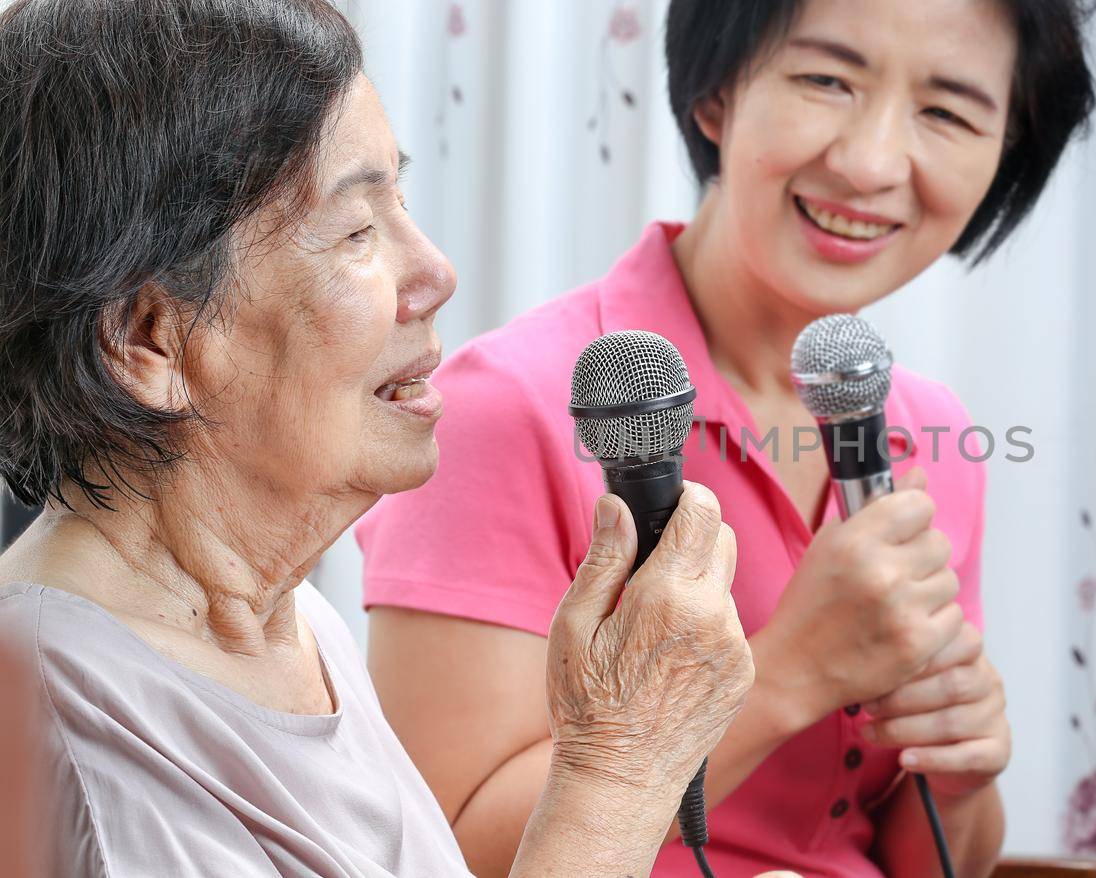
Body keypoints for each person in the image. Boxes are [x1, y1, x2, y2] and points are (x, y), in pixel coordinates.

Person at [0, 1, 766, 875]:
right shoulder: (52, 717)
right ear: (149, 340)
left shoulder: (298, 626)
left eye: (400, 203)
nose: (435, 274)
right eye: (357, 231)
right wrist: (619, 770)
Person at [357, 0, 1096, 874]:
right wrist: (791, 673)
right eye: (826, 79)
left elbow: (926, 858)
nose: (869, 163)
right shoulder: (507, 405)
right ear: (716, 95)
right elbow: (436, 852)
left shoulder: (933, 430)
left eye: (946, 112)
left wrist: (963, 772)